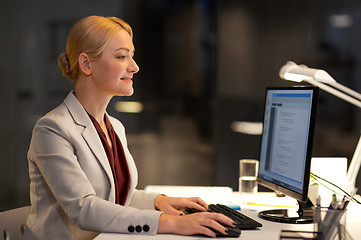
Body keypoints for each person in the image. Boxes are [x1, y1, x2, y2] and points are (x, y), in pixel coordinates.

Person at [23, 15, 234, 239]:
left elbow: (112, 197)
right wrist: (170, 223)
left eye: (131, 56)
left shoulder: (114, 126)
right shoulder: (52, 129)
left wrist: (159, 202)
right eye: (122, 56)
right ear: (86, 64)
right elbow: (84, 208)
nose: (134, 67)